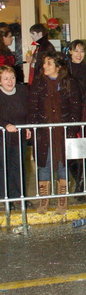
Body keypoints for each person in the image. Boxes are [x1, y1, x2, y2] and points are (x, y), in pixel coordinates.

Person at [28, 52, 82, 215]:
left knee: (62, 166)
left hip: (62, 133)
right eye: (44, 63)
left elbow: (75, 108)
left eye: (49, 63)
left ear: (58, 67)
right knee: (44, 166)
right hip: (43, 133)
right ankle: (44, 200)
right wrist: (33, 128)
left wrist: (71, 130)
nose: (45, 66)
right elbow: (32, 108)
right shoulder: (38, 83)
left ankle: (62, 200)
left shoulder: (69, 83)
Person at [66, 40, 86, 202]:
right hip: (68, 113)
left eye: (82, 51)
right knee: (69, 151)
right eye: (76, 50)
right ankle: (77, 180)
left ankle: (80, 184)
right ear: (70, 52)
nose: (79, 54)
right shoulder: (64, 69)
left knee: (84, 151)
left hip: (85, 113)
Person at [0, 65, 30, 208]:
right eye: (5, 78)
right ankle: (5, 197)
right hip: (2, 137)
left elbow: (29, 110)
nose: (10, 81)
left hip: (19, 136)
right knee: (4, 167)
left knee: (18, 167)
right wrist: (5, 125)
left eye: (12, 77)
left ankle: (19, 196)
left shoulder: (23, 91)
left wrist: (28, 125)